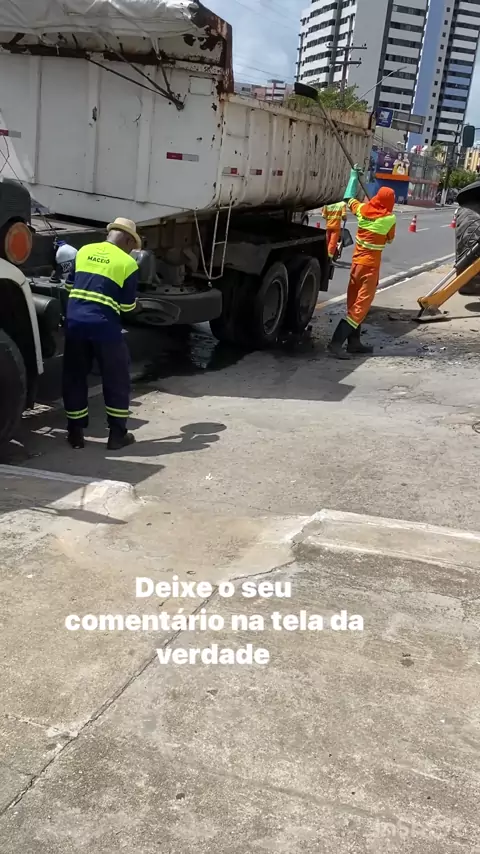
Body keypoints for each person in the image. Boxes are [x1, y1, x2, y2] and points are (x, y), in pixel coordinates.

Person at [62, 216, 141, 449]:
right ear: (128, 240)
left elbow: (69, 286)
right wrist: (139, 306)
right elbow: (127, 307)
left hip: (75, 322)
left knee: (75, 376)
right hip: (104, 326)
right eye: (132, 246)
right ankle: (117, 435)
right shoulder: (128, 263)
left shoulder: (84, 251)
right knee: (116, 378)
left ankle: (75, 434)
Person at [328, 187, 396, 359]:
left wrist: (353, 176)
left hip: (356, 266)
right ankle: (335, 343)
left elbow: (349, 198)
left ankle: (354, 343)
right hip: (369, 269)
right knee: (360, 307)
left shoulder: (361, 209)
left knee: (353, 304)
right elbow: (390, 239)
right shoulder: (389, 218)